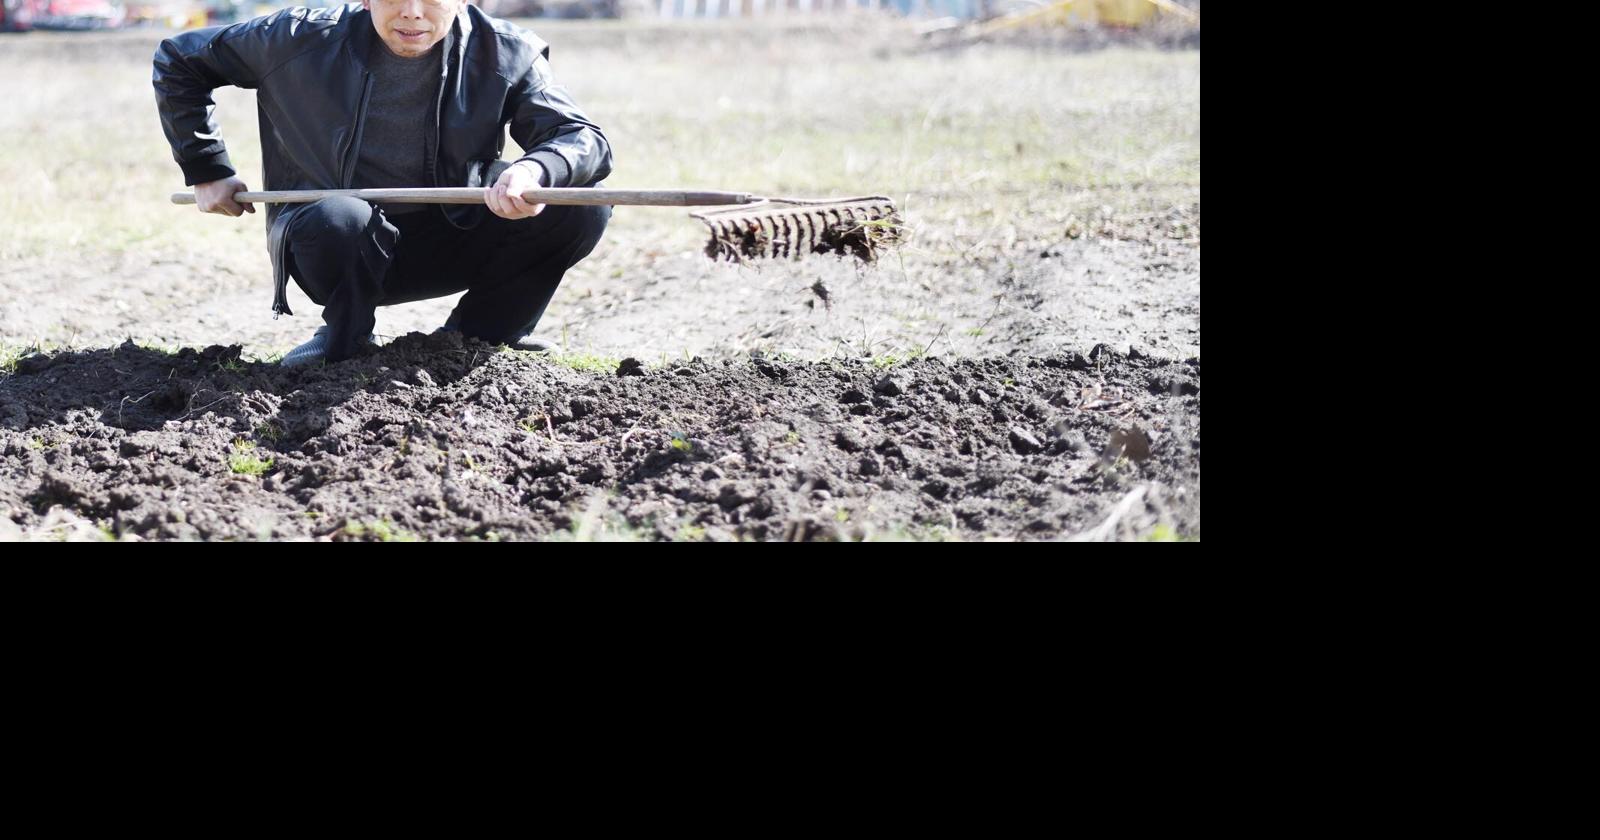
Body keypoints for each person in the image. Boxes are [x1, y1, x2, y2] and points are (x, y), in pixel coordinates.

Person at [153, 0, 613, 367]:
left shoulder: (506, 51)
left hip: (455, 234)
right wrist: (207, 167)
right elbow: (179, 61)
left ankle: (480, 338)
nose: (412, 11)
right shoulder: (295, 37)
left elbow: (579, 138)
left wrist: (533, 171)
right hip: (335, 239)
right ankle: (344, 339)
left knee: (578, 203)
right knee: (342, 218)